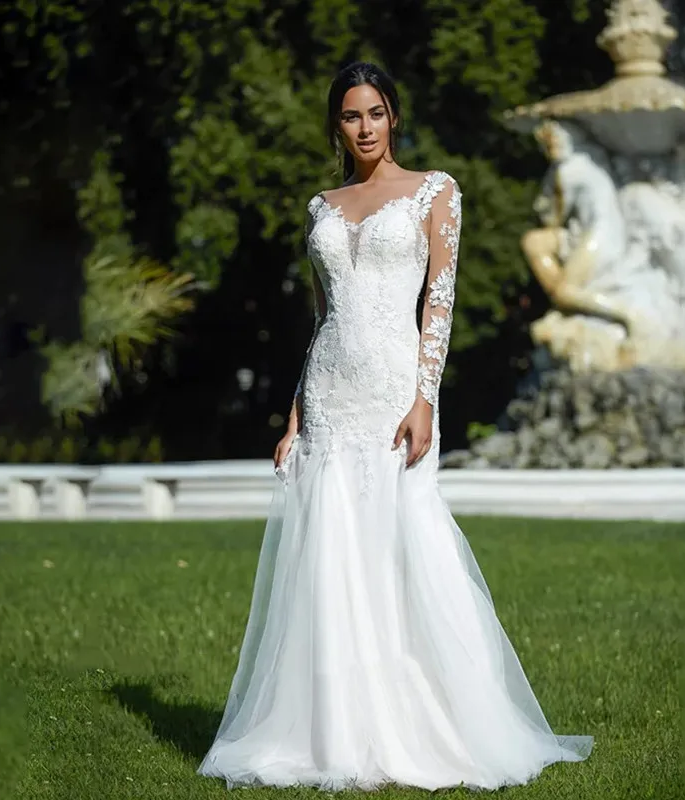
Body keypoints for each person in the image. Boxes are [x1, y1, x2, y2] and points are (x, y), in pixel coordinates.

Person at [197, 61, 593, 792]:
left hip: (394, 393)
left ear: (394, 117)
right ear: (337, 126)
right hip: (327, 396)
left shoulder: (435, 192)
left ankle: (435, 724)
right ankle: (333, 728)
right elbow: (322, 321)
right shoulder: (322, 205)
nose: (365, 127)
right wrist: (293, 417)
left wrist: (424, 400)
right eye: (351, 116)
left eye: (376, 112)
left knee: (406, 545)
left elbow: (436, 307)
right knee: (329, 557)